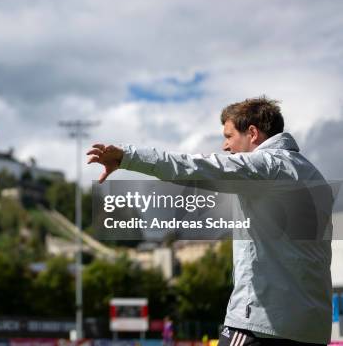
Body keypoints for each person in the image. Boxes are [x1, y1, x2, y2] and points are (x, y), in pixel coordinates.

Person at [87, 96, 333, 345]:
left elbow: (193, 167)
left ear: (252, 133)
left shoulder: (265, 165)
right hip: (312, 330)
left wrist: (127, 157)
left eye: (228, 136)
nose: (225, 146)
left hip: (261, 325)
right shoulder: (316, 177)